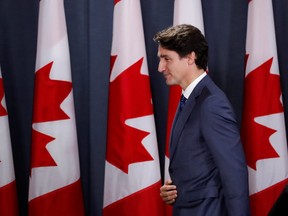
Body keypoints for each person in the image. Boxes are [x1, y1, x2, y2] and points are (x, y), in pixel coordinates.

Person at [153, 24, 250, 216]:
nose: (160, 67)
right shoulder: (191, 98)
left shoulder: (211, 103)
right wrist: (174, 189)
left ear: (190, 57)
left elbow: (234, 174)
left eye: (167, 59)